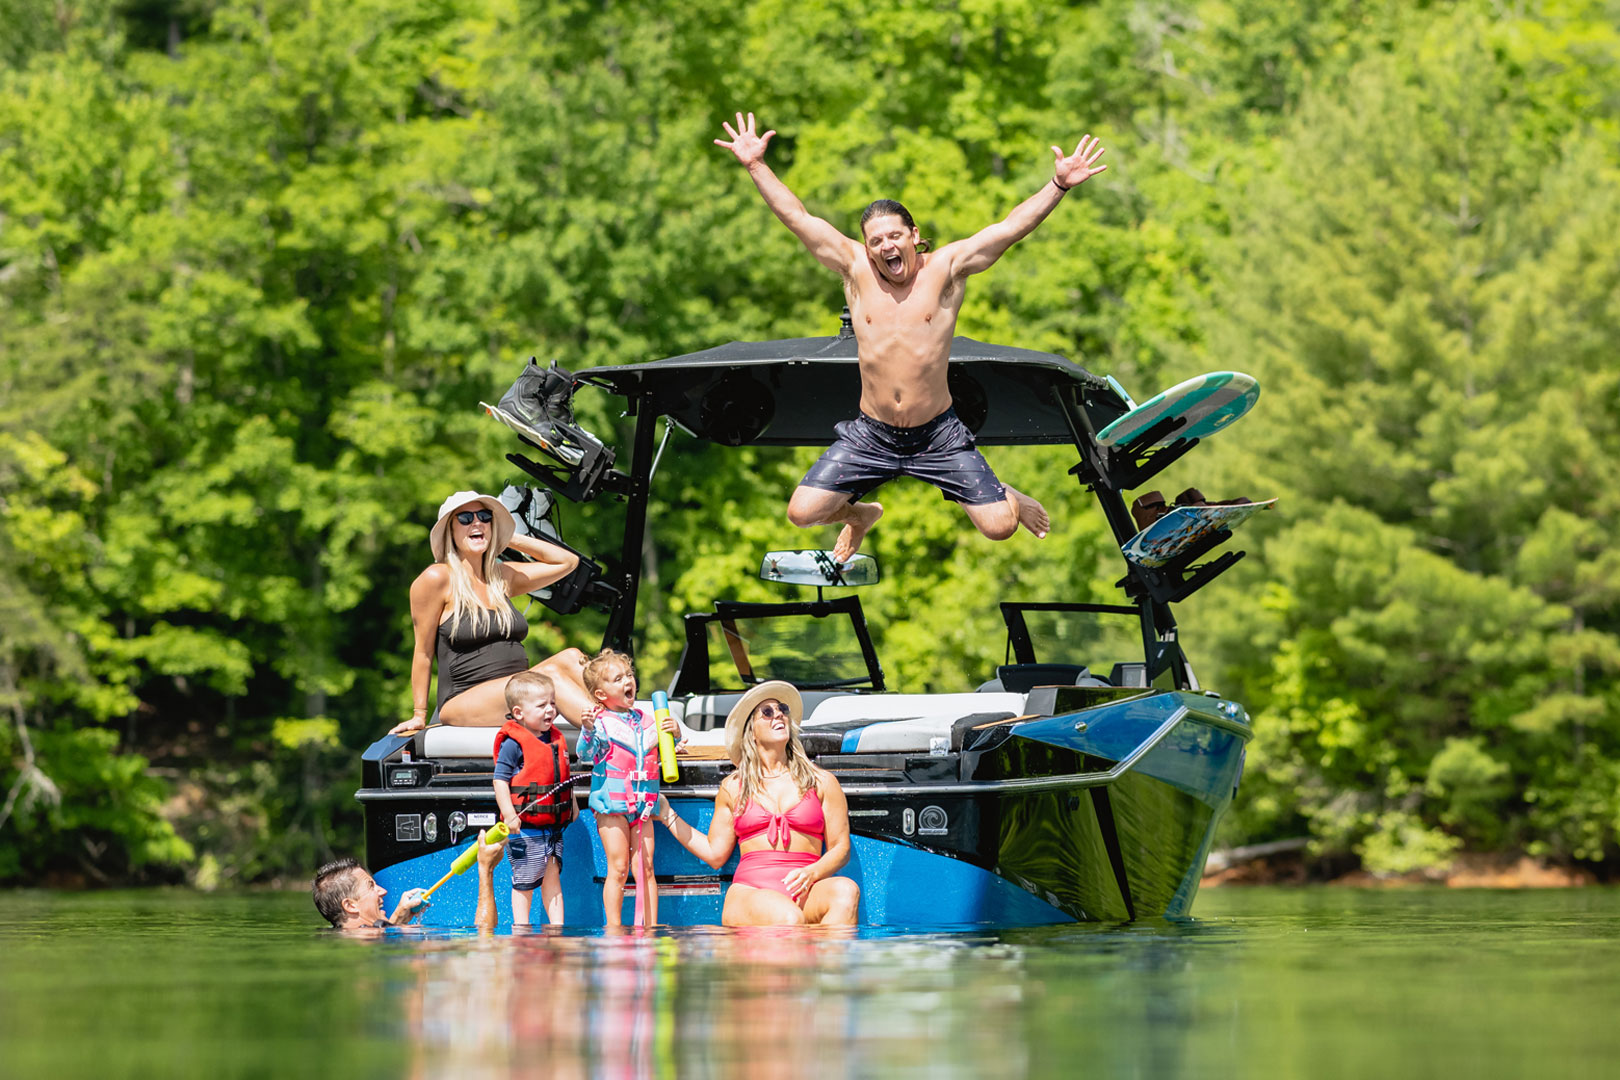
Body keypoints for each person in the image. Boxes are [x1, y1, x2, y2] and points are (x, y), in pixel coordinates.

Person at [714, 112, 1109, 561]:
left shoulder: (946, 268)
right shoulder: (854, 268)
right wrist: (755, 166)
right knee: (803, 513)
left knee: (1000, 528)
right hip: (872, 434)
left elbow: (1008, 229)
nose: (885, 247)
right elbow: (798, 218)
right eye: (876, 241)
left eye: (894, 236)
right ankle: (860, 515)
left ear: (913, 236)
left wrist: (1057, 186)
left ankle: (1007, 495)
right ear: (867, 247)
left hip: (937, 435)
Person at [388, 490, 595, 736]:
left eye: (485, 517)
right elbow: (422, 652)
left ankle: (620, 721)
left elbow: (567, 562)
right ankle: (619, 737)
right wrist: (419, 714)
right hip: (463, 699)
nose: (477, 523)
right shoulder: (437, 579)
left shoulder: (501, 578)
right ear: (450, 531)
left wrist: (505, 537)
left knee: (572, 657)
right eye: (465, 518)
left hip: (516, 688)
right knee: (547, 678)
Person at [656, 680, 860, 927]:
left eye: (783, 709)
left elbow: (841, 848)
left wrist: (813, 873)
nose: (779, 715)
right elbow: (714, 854)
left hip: (807, 888)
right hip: (750, 894)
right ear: (751, 730)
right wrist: (668, 816)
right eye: (767, 711)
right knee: (788, 917)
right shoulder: (734, 786)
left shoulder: (821, 781)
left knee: (846, 891)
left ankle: (827, 965)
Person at [578, 649, 678, 927]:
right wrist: (586, 729)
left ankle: (651, 928)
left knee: (646, 868)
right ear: (600, 694)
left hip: (643, 805)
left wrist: (676, 732)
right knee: (619, 868)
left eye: (629, 675)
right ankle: (614, 929)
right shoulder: (599, 723)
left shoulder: (648, 720)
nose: (627, 681)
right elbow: (585, 755)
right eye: (618, 678)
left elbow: (671, 750)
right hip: (613, 806)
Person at [492, 671, 575, 927]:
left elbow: (563, 778)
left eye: (552, 703)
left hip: (553, 827)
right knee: (525, 882)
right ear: (519, 713)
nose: (550, 710)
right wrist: (509, 813)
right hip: (525, 829)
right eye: (541, 705)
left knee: (553, 878)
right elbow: (500, 780)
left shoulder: (556, 739)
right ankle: (522, 929)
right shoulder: (513, 744)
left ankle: (557, 929)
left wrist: (573, 805)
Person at [312, 828, 507, 932]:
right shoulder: (381, 937)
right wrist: (486, 870)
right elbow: (485, 936)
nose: (383, 891)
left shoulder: (350, 937)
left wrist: (397, 918)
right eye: (371, 886)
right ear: (350, 905)